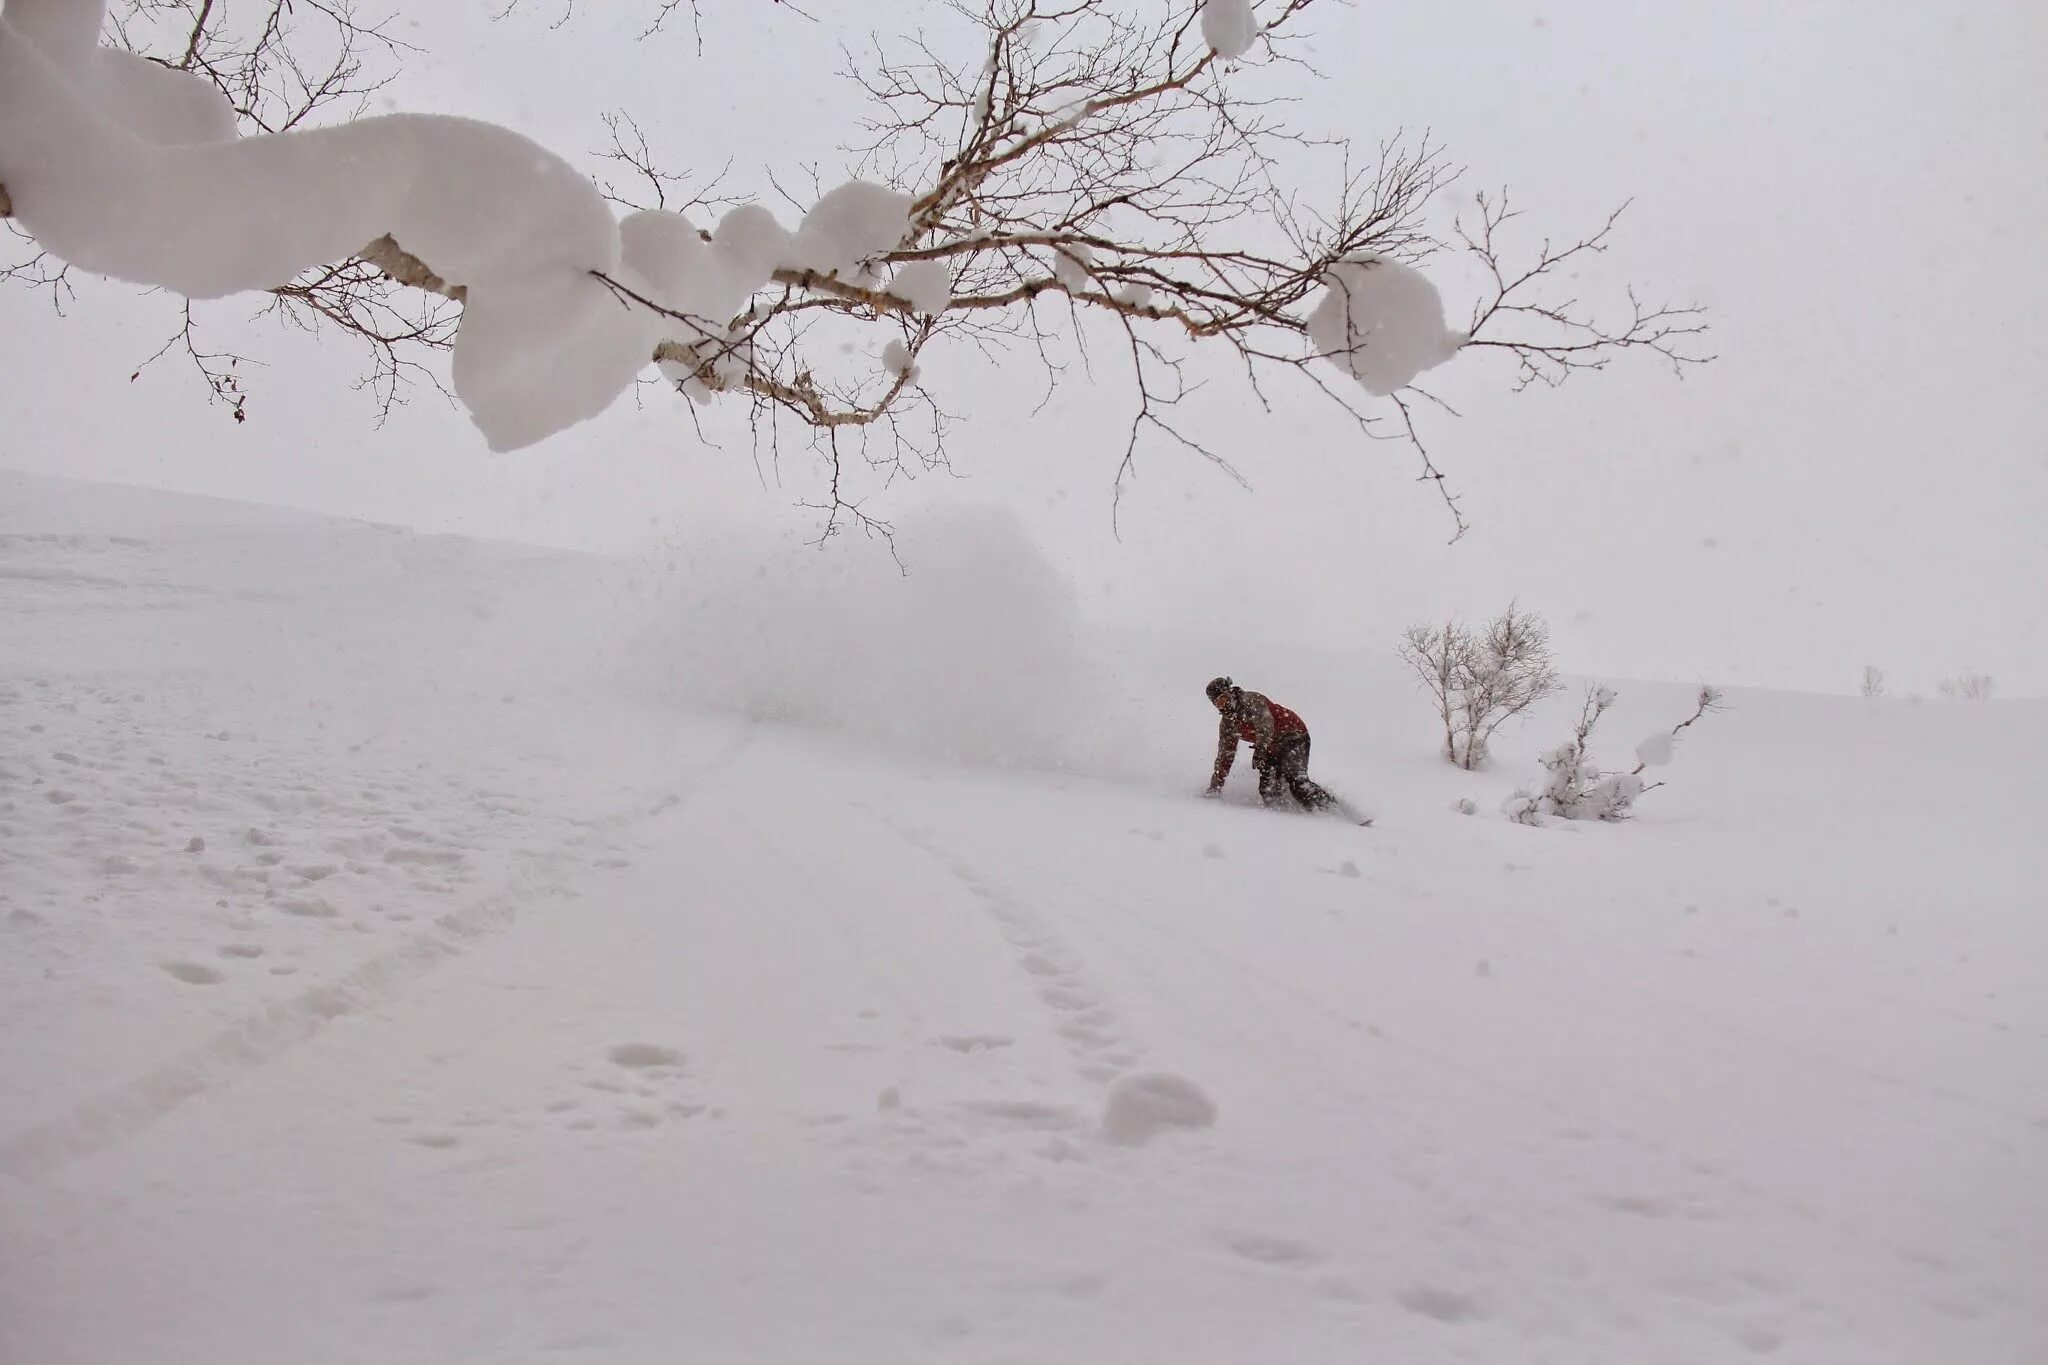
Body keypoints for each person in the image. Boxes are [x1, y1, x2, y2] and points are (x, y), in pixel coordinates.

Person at [1203, 676, 1337, 812]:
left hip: (1293, 736)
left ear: (1231, 693)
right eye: (1218, 703)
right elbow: (1225, 755)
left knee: (1297, 782)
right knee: (1268, 790)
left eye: (1224, 699)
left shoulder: (1251, 701)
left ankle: (1331, 810)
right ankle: (1284, 817)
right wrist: (1216, 785)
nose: (1223, 706)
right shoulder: (1228, 724)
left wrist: (1260, 750)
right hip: (1270, 747)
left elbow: (1265, 726)